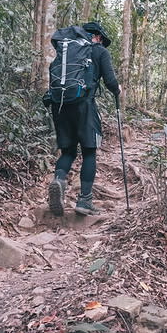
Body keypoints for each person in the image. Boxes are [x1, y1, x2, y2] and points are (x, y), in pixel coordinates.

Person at [46, 21, 120, 216]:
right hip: (84, 106)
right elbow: (111, 81)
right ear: (97, 37)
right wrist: (118, 90)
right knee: (89, 152)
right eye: (101, 40)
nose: (102, 43)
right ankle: (84, 201)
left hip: (60, 104)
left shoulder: (66, 48)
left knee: (68, 152)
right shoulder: (98, 51)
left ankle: (59, 180)